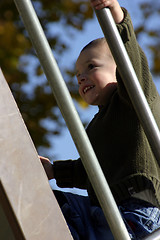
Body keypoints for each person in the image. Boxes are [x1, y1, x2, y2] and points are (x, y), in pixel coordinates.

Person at [39, 0, 160, 239]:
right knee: (54, 204)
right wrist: (54, 171)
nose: (82, 78)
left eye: (91, 67)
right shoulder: (96, 126)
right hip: (102, 209)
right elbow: (89, 172)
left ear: (119, 69)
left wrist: (117, 18)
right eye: (78, 75)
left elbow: (131, 60)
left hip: (137, 210)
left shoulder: (133, 100)